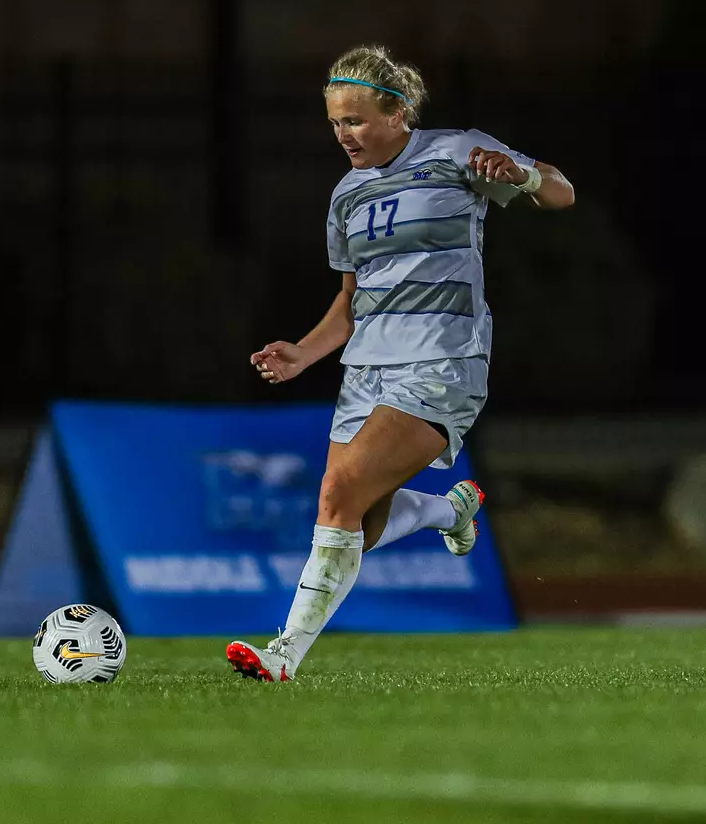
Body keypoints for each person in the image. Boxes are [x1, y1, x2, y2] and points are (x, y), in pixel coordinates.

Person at [225, 44, 574, 682]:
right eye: (335, 123)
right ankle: (448, 512)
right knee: (356, 517)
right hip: (366, 371)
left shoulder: (457, 151)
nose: (344, 135)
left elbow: (561, 191)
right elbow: (351, 301)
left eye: (356, 120)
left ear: (398, 113)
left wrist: (522, 178)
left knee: (337, 495)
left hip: (443, 361)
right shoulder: (346, 195)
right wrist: (303, 352)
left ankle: (283, 654)